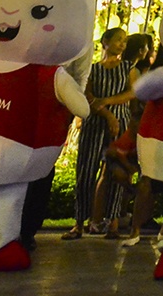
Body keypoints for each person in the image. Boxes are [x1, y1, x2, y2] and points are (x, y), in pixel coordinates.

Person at [66, 28, 136, 239]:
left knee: (116, 171)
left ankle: (112, 221)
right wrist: (107, 114)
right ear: (105, 42)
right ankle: (79, 222)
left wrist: (106, 102)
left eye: (124, 41)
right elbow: (87, 94)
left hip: (119, 124)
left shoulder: (128, 67)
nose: (122, 44)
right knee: (86, 171)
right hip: (96, 122)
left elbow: (132, 93)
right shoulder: (94, 69)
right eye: (117, 40)